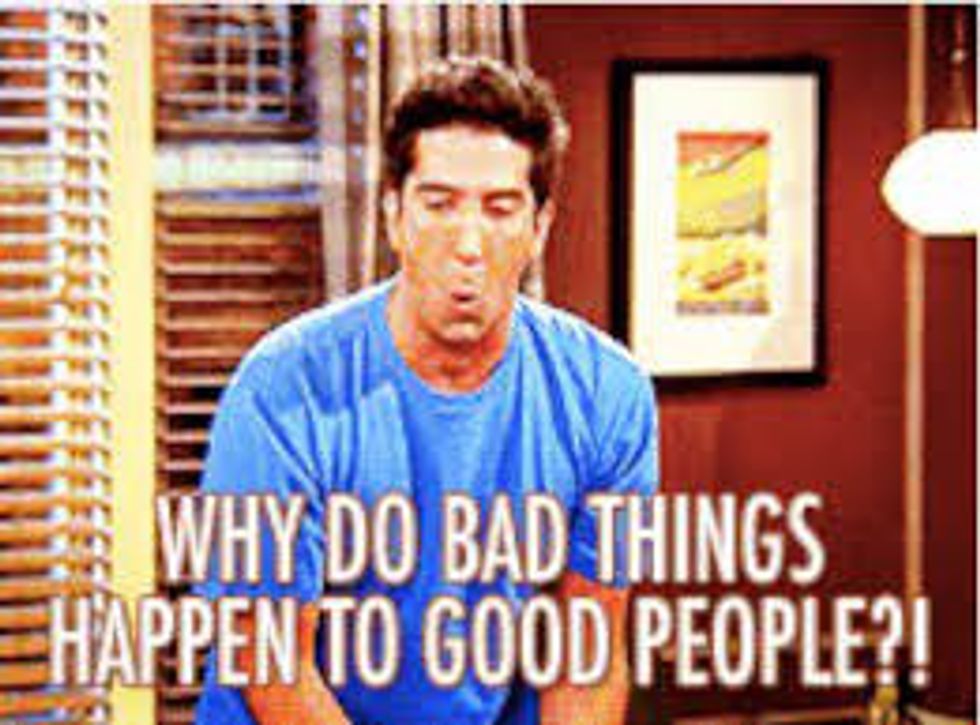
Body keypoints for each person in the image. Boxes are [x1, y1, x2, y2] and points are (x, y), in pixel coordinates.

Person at [194, 56, 658, 725]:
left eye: (500, 209)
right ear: (394, 216)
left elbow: (589, 653)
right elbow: (272, 666)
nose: (468, 243)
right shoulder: (282, 389)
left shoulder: (607, 394)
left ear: (540, 228)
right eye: (439, 205)